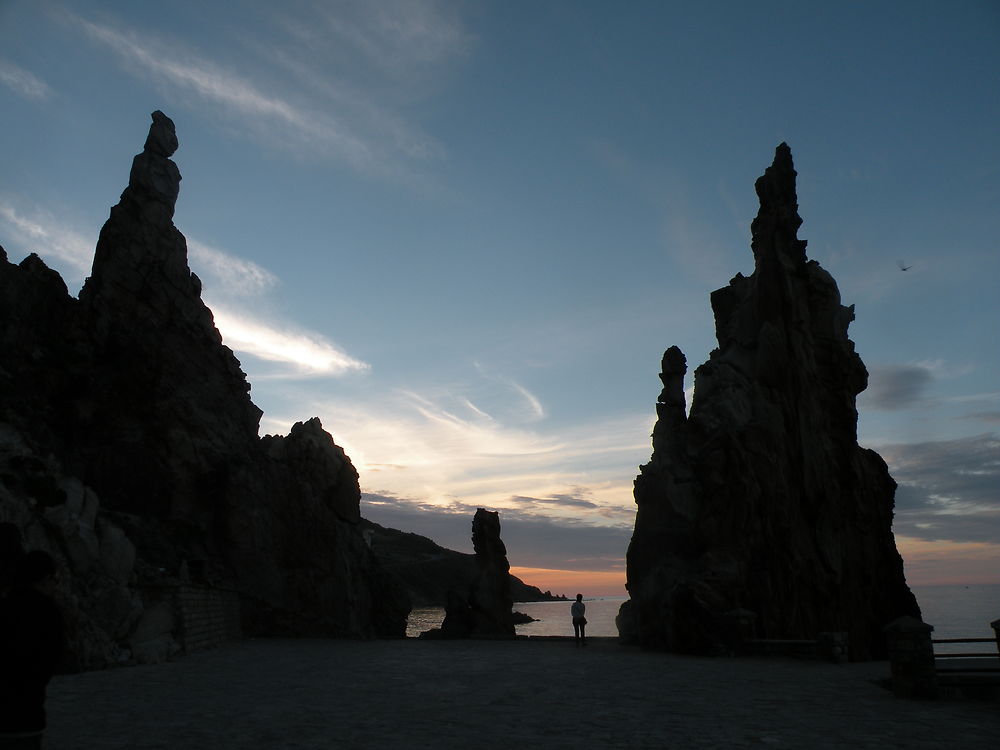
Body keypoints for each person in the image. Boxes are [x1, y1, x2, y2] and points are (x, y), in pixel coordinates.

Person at [0, 550, 65, 750]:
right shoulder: (47, 612)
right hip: (28, 712)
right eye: (54, 579)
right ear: (44, 579)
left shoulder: (5, 605)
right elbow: (50, 660)